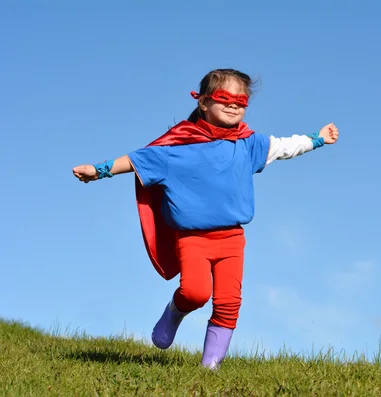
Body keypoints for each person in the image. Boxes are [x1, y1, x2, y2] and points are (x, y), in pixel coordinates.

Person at [72, 68, 339, 369]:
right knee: (195, 292)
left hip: (232, 239)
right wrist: (98, 171)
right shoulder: (176, 149)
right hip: (193, 238)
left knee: (228, 303)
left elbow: (285, 147)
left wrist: (317, 139)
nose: (233, 105)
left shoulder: (247, 145)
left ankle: (209, 368)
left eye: (241, 101)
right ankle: (175, 310)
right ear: (202, 102)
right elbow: (135, 160)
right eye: (224, 98)